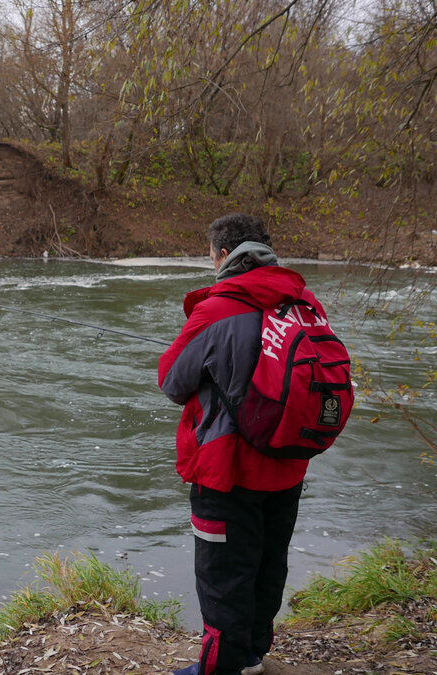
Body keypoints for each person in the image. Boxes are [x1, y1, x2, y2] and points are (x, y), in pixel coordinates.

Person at [157, 213, 327, 675]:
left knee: (223, 574)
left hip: (226, 469)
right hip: (289, 464)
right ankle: (251, 654)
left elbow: (172, 381)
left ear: (219, 255)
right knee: (269, 563)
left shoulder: (216, 308)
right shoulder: (304, 303)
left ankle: (219, 668)